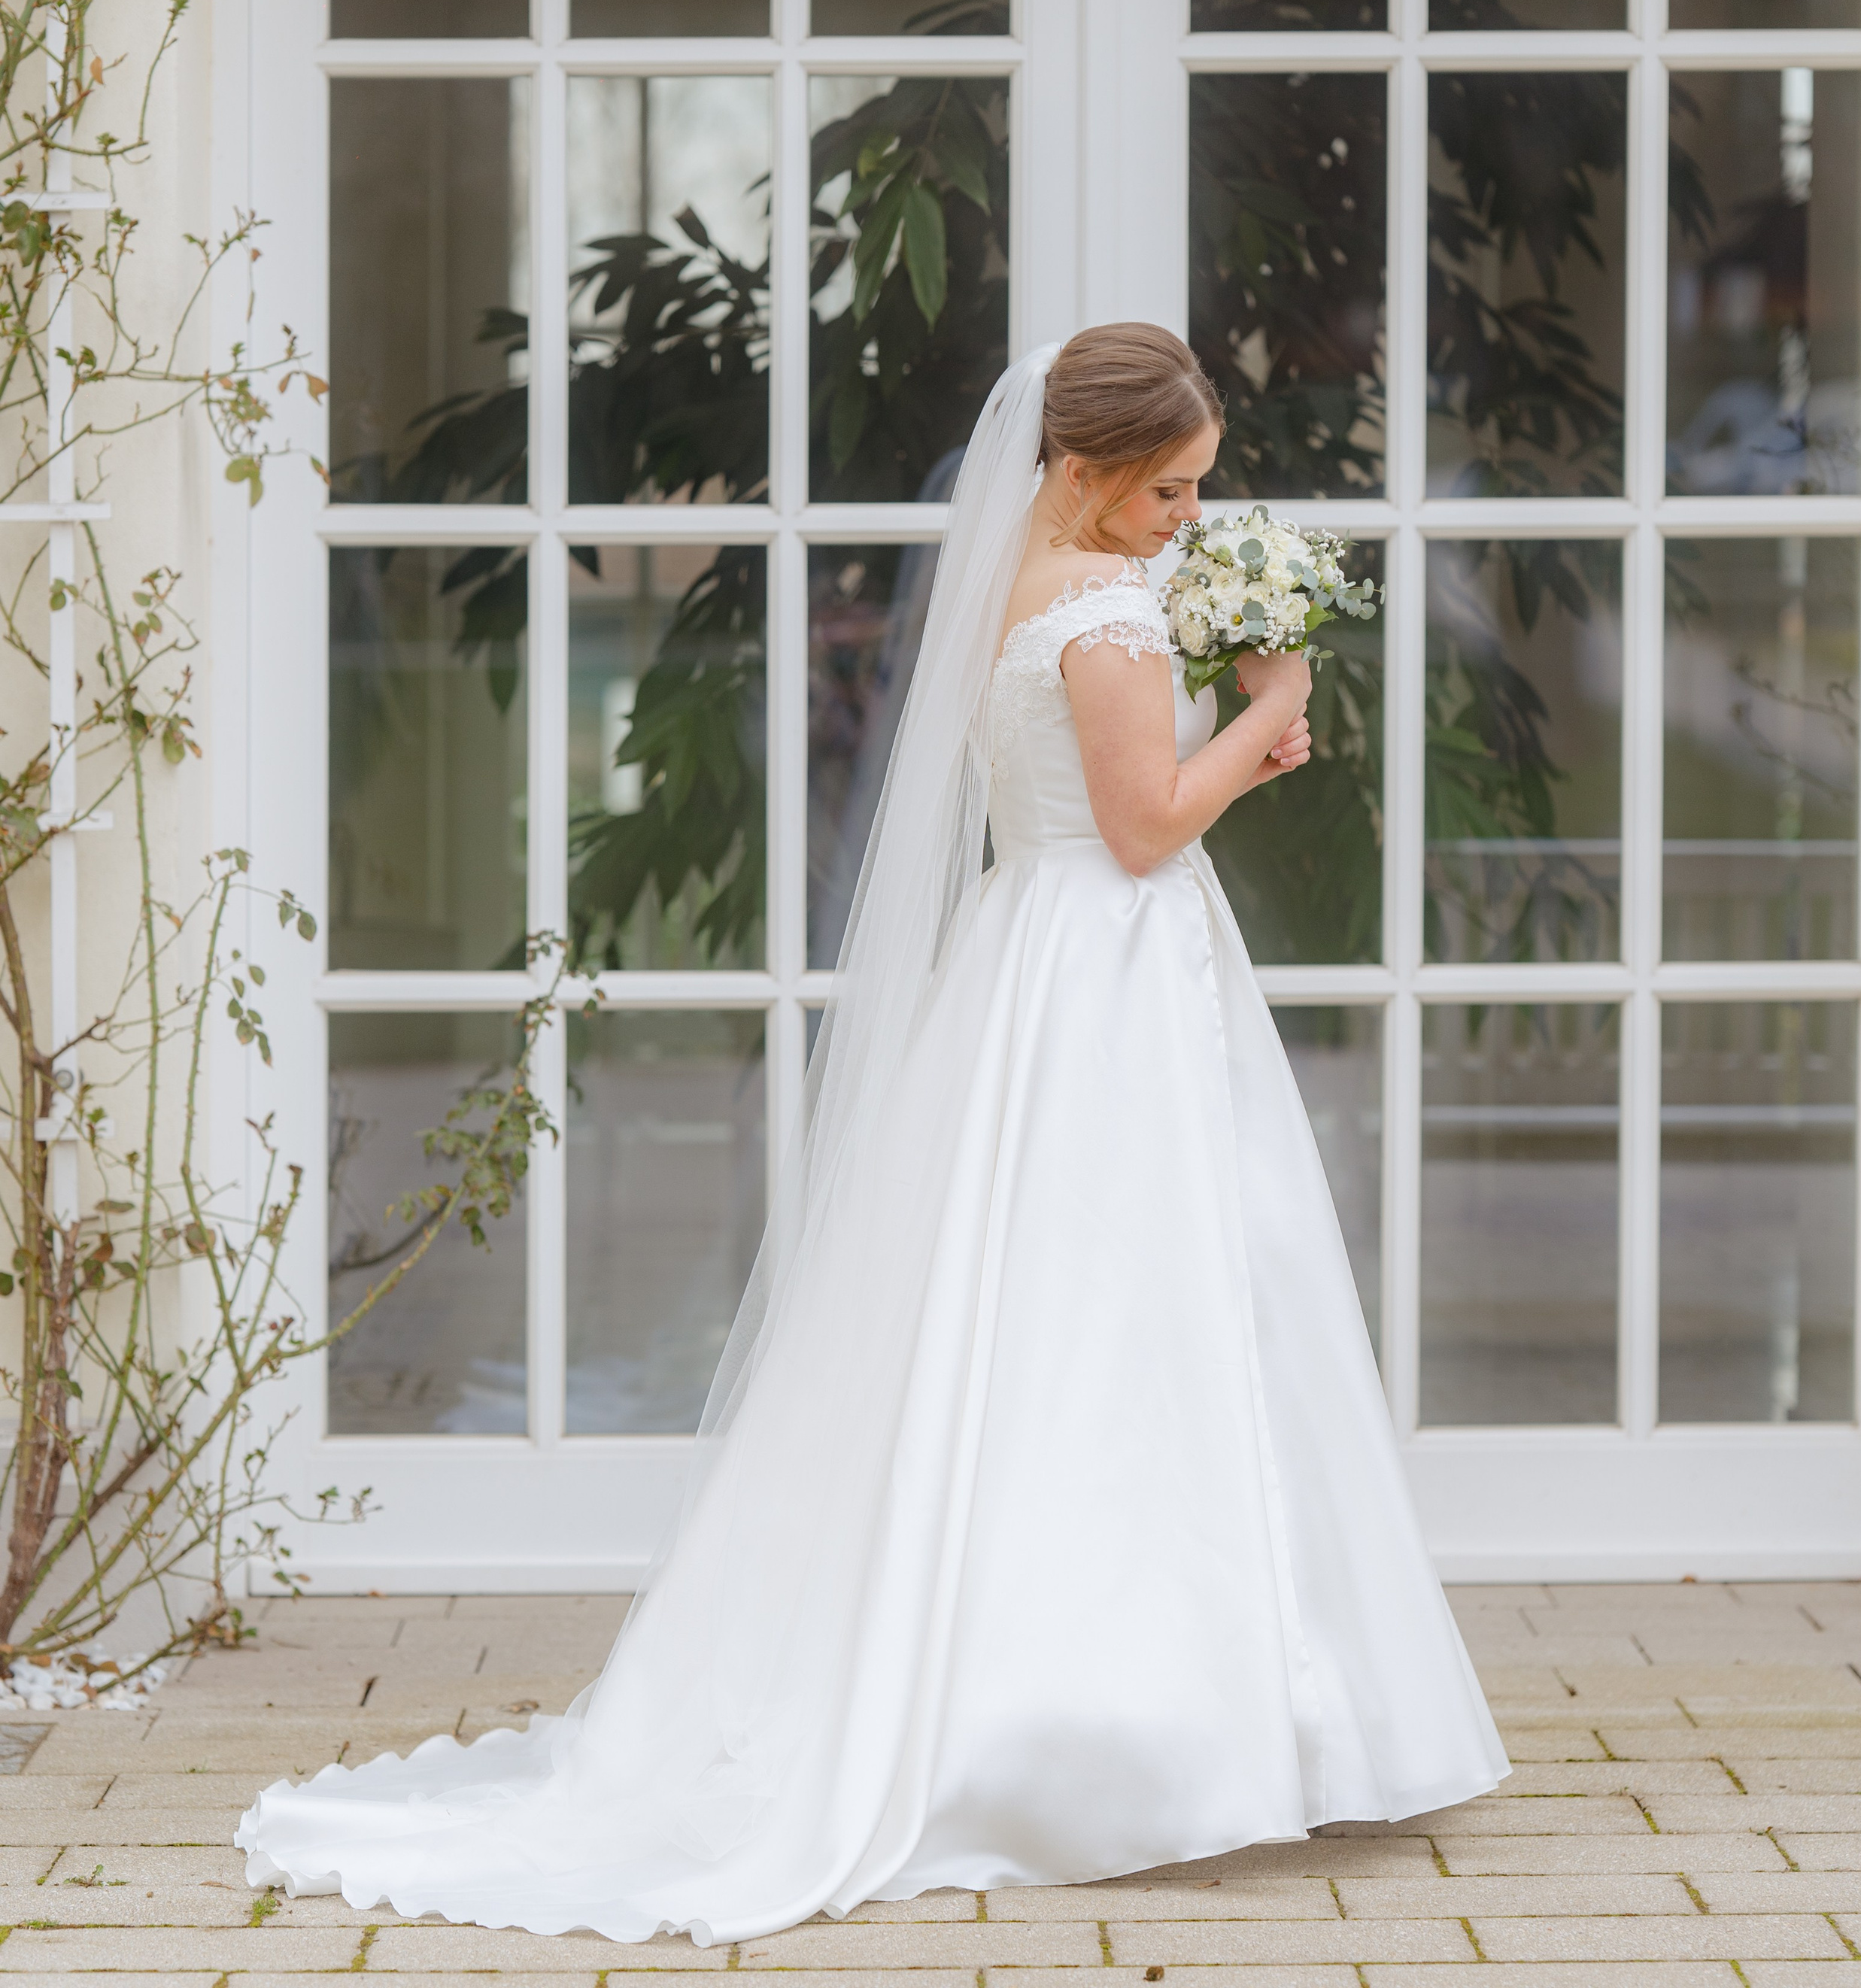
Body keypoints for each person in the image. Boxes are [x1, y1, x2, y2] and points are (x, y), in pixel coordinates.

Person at [238, 325, 1507, 1943]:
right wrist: (1265, 717)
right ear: (1079, 469)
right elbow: (1139, 829)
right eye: (1167, 486)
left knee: (1024, 1318)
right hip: (1107, 966)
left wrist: (1215, 725)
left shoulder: (1013, 585)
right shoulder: (1106, 613)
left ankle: (1097, 1689)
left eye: (1196, 488)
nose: (1188, 514)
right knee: (1129, 1310)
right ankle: (1126, 1725)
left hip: (1028, 959)